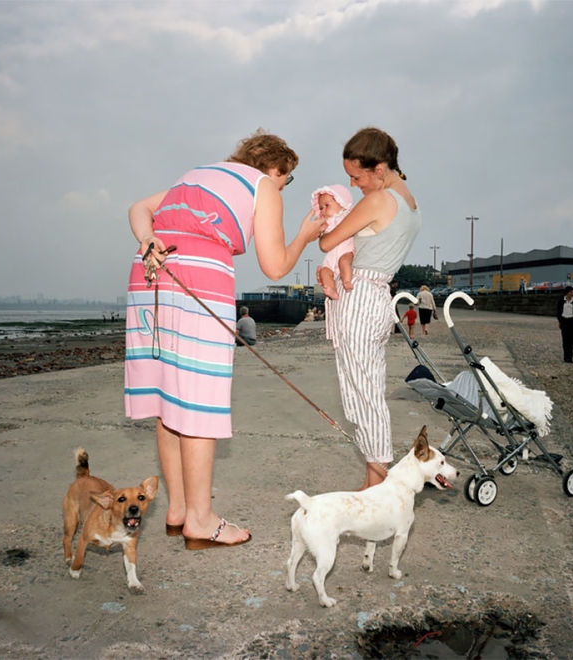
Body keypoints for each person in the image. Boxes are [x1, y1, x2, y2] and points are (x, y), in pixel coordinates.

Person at [125, 130, 325, 549]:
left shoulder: (199, 175)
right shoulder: (264, 185)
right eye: (287, 179)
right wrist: (305, 236)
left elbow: (139, 207)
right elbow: (274, 267)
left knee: (168, 395)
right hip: (199, 278)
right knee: (198, 397)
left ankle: (178, 509)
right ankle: (200, 519)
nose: (283, 186)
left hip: (151, 274)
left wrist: (147, 239)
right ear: (277, 168)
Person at [320, 127, 421, 490]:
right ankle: (373, 478)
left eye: (357, 176)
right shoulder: (411, 202)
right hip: (379, 298)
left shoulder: (379, 199)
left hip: (360, 296)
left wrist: (327, 246)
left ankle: (378, 482)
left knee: (362, 394)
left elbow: (327, 240)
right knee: (368, 389)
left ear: (379, 169)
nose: (354, 183)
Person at [312, 185, 355, 300]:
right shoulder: (326, 223)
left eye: (327, 205)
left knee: (344, 262)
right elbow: (318, 236)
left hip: (345, 251)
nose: (324, 210)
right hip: (331, 257)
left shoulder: (347, 216)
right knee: (324, 271)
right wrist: (319, 230)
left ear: (341, 203)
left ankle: (347, 282)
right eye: (321, 208)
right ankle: (332, 291)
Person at [556, 285, 573, 363]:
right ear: (567, 293)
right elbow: (558, 312)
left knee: (572, 339)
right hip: (564, 320)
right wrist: (559, 321)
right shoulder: (561, 301)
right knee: (565, 340)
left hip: (572, 321)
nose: (572, 293)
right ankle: (566, 356)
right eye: (571, 292)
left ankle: (570, 357)